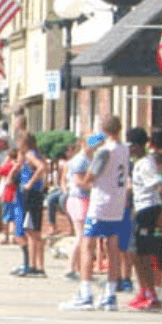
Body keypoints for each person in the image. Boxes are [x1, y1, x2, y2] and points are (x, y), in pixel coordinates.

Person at [60, 116, 130, 311]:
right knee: (113, 247)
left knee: (87, 245)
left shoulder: (104, 151)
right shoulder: (124, 149)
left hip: (100, 203)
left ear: (102, 129)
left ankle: (86, 292)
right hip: (117, 202)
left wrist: (83, 180)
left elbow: (92, 176)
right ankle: (110, 294)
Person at [126, 127, 162, 311]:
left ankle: (151, 293)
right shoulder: (140, 163)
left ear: (137, 145)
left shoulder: (146, 163)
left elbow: (157, 186)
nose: (129, 149)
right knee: (136, 252)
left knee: (142, 253)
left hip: (149, 210)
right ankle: (145, 289)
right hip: (142, 208)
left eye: (131, 145)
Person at [64, 133, 101, 281]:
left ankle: (79, 267)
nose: (94, 145)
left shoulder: (90, 159)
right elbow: (78, 181)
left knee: (85, 236)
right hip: (78, 199)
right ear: (82, 143)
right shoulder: (79, 161)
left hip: (84, 199)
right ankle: (70, 268)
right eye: (91, 142)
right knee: (82, 236)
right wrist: (95, 187)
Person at [13, 133, 48, 278]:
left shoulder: (30, 155)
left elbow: (41, 168)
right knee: (32, 230)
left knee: (32, 231)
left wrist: (30, 183)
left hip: (31, 193)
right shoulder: (32, 154)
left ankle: (34, 265)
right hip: (35, 193)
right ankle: (37, 265)